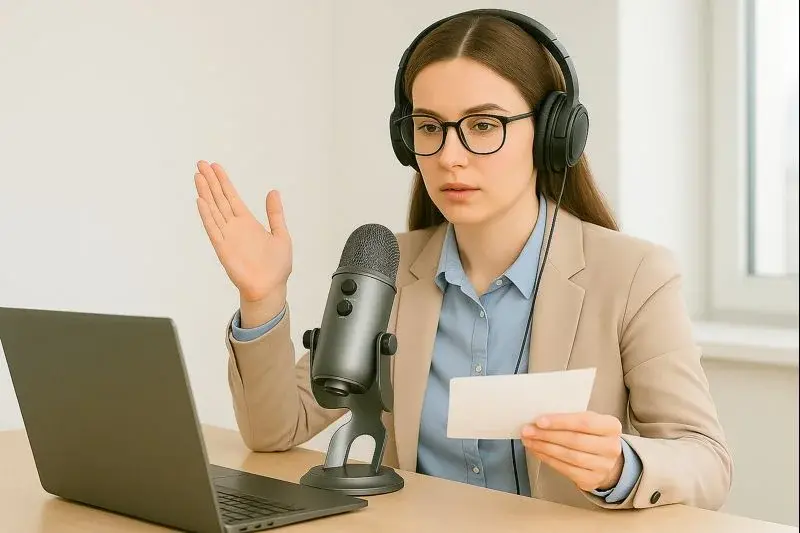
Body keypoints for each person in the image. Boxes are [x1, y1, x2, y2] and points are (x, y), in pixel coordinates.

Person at [194, 9, 732, 512]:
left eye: (483, 125)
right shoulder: (389, 268)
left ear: (549, 135)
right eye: (430, 127)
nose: (450, 156)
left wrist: (623, 465)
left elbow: (706, 460)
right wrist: (262, 297)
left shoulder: (635, 275)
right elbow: (274, 432)